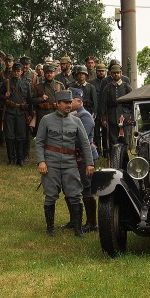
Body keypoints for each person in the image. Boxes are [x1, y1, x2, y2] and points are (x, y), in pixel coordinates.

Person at [35, 89, 94, 237]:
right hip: (51, 162)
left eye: (70, 102)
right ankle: (50, 228)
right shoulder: (46, 120)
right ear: (57, 104)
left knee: (75, 194)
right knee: (51, 195)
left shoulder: (76, 121)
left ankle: (78, 229)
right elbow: (39, 142)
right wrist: (41, 161)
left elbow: (85, 144)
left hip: (70, 163)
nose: (69, 105)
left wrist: (89, 163)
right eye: (65, 103)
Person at [61, 88, 99, 232]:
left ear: (79, 101)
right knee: (69, 187)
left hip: (85, 157)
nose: (69, 104)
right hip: (73, 157)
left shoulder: (85, 117)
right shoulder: (71, 116)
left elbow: (79, 139)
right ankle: (74, 220)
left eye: (72, 101)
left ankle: (91, 223)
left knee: (86, 189)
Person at [0, 63, 33, 166]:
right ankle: (11, 158)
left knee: (21, 136)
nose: (16, 73)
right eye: (14, 71)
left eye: (18, 71)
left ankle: (20, 158)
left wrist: (30, 114)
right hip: (10, 111)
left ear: (21, 72)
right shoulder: (6, 83)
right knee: (9, 136)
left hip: (21, 113)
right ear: (12, 71)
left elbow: (29, 100)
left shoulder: (26, 84)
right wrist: (4, 96)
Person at [99, 64, 133, 150]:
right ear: (111, 74)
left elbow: (133, 103)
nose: (116, 74)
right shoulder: (107, 87)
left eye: (118, 73)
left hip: (125, 118)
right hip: (112, 118)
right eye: (114, 73)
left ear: (121, 73)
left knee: (125, 141)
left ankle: (125, 161)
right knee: (113, 142)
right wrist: (103, 119)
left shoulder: (126, 87)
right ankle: (115, 161)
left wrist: (132, 117)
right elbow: (103, 104)